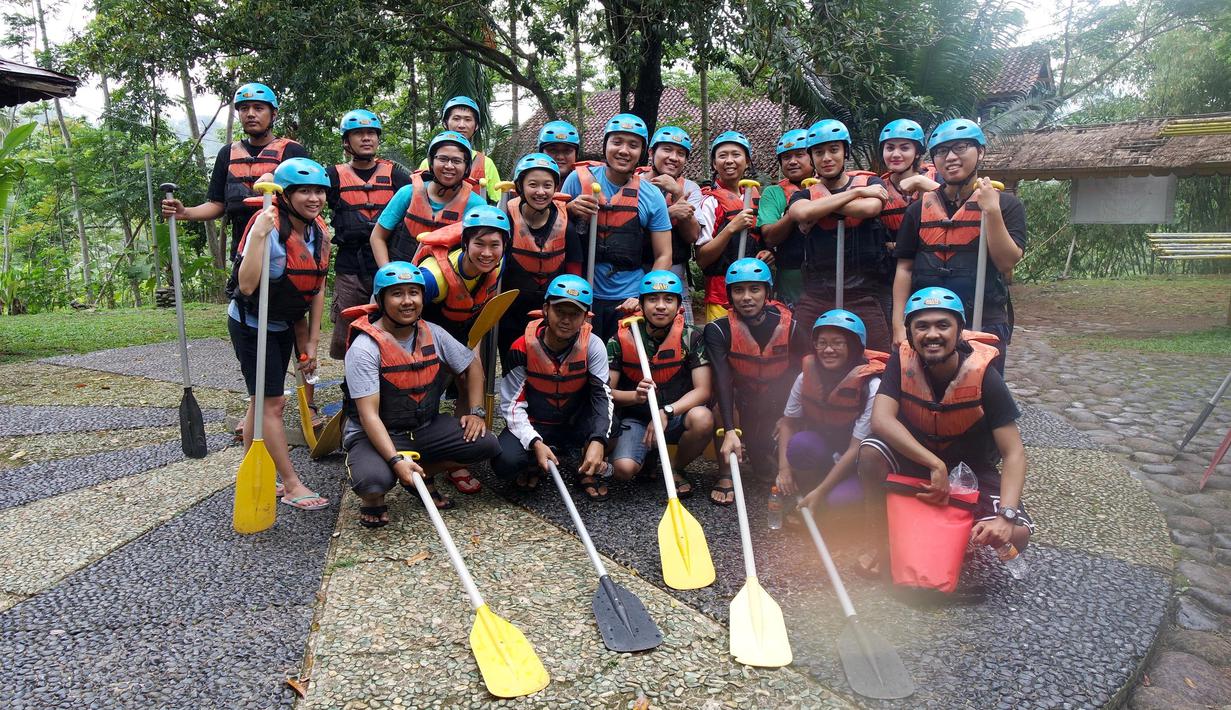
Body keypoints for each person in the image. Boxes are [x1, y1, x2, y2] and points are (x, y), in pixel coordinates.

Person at [857, 286, 1033, 576]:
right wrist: (934, 464)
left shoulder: (985, 377)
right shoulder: (901, 363)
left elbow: (1014, 452)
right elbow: (882, 420)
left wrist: (1006, 516)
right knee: (871, 452)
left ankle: (957, 535)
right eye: (922, 326)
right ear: (910, 333)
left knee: (1017, 535)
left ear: (959, 331)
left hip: (970, 470)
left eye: (943, 325)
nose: (932, 335)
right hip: (918, 463)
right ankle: (880, 540)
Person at [340, 261, 499, 523]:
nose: (407, 301)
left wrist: (476, 412)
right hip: (375, 433)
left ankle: (420, 474)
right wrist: (395, 461)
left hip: (424, 427)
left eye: (413, 293)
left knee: (487, 443)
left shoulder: (433, 333)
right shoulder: (365, 348)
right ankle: (375, 496)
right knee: (373, 482)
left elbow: (471, 366)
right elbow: (369, 416)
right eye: (397, 294)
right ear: (381, 300)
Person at [225, 157, 331, 512]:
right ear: (285, 196)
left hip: (285, 322)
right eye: (304, 192)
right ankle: (291, 483)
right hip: (252, 324)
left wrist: (310, 342)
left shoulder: (318, 232)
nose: (314, 198)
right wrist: (258, 234)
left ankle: (255, 470)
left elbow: (316, 288)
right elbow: (246, 284)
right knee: (272, 402)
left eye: (319, 191)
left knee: (261, 399)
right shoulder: (267, 226)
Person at [891, 118, 1026, 371]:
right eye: (942, 151)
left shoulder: (1007, 205)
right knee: (921, 388)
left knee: (980, 389)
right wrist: (898, 325)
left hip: (984, 317)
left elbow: (1006, 262)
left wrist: (992, 212)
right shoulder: (917, 210)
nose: (951, 157)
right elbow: (904, 268)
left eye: (961, 147)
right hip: (928, 320)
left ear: (980, 152)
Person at [494, 275, 614, 500]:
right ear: (546, 309)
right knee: (505, 462)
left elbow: (602, 396)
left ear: (586, 317)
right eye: (559, 311)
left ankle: (585, 466)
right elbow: (511, 405)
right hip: (536, 421)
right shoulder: (521, 347)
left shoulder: (594, 345)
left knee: (612, 426)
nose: (566, 320)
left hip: (574, 422)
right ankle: (535, 462)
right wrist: (534, 441)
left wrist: (598, 440)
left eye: (575, 314)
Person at [703, 258, 809, 505]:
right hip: (742, 403)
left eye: (754, 289)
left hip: (778, 405)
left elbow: (803, 377)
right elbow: (722, 380)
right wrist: (730, 430)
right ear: (730, 295)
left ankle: (767, 455)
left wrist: (789, 417)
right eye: (738, 290)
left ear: (767, 292)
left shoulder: (792, 327)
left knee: (765, 469)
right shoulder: (718, 330)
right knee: (720, 407)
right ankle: (725, 474)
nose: (746, 297)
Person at [161, 82, 309, 259]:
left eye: (258, 108)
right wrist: (185, 212)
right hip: (242, 250)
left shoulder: (293, 151)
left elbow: (309, 200)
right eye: (244, 109)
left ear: (274, 114)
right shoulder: (227, 154)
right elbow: (217, 205)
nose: (250, 114)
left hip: (284, 250)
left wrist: (276, 180)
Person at [561, 114, 672, 339]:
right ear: (605, 146)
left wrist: (644, 295)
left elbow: (664, 255)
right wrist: (569, 209)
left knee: (624, 358)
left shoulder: (652, 195)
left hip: (629, 296)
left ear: (642, 152)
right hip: (581, 293)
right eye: (617, 142)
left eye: (633, 145)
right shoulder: (576, 180)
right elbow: (552, 228)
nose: (624, 150)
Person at [786, 119, 891, 349]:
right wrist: (856, 194)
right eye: (819, 152)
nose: (826, 158)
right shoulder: (804, 194)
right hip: (818, 294)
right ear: (811, 158)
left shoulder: (871, 181)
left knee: (879, 356)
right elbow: (800, 212)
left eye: (834, 150)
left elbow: (869, 209)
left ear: (845, 152)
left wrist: (821, 206)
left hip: (863, 294)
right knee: (797, 351)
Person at [607, 270, 713, 496]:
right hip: (638, 417)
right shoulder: (620, 338)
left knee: (703, 419)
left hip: (675, 416)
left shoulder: (691, 337)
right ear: (641, 304)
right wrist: (634, 396)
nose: (661, 306)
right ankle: (647, 456)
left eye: (669, 300)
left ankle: (673, 468)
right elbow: (607, 392)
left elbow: (703, 390)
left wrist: (667, 412)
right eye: (653, 299)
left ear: (678, 305)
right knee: (623, 470)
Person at [326, 109, 412, 361]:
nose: (366, 138)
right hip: (350, 265)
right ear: (346, 141)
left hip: (388, 261)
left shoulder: (396, 175)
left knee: (392, 325)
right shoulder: (332, 176)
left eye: (371, 133)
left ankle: (390, 374)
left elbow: (421, 201)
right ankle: (352, 378)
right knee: (348, 328)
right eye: (359, 134)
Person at [779, 310, 887, 511]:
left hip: (855, 463)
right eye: (822, 343)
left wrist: (821, 492)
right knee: (801, 444)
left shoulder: (871, 386)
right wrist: (784, 469)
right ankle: (809, 495)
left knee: (839, 503)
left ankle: (822, 498)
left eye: (838, 343)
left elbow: (855, 448)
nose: (828, 350)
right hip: (826, 450)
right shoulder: (805, 377)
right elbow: (788, 423)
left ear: (854, 347)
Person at [498, 153, 583, 357]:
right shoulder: (506, 222)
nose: (540, 192)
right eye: (533, 185)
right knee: (513, 362)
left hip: (552, 314)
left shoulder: (567, 227)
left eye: (547, 185)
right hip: (510, 312)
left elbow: (575, 273)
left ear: (555, 188)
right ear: (520, 187)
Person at [370, 131, 486, 265]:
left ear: (466, 166)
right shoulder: (407, 193)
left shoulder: (477, 205)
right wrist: (388, 272)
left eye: (457, 161)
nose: (449, 166)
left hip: (448, 276)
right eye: (442, 159)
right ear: (431, 162)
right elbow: (377, 237)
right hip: (403, 274)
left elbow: (483, 247)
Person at [696, 131, 773, 323]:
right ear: (714, 164)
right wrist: (731, 228)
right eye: (722, 156)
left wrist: (768, 253)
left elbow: (765, 239)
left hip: (756, 297)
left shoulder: (758, 198)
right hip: (720, 296)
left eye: (736, 155)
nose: (729, 160)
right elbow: (702, 260)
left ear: (747, 161)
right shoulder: (709, 202)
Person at [412, 203, 508, 347]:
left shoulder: (498, 264)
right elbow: (399, 318)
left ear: (504, 246)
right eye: (479, 244)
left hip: (461, 330)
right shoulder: (433, 278)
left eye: (495, 245)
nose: (487, 253)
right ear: (465, 243)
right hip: (425, 336)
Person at [637, 126, 703, 323]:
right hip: (636, 270)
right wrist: (669, 213)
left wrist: (677, 193)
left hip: (675, 274)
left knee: (682, 332)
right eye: (667, 150)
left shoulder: (690, 188)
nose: (674, 157)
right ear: (651, 152)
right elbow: (626, 229)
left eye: (681, 153)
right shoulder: (635, 183)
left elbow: (692, 236)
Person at [758, 128, 815, 307]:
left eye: (800, 155)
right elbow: (770, 237)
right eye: (786, 157)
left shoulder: (830, 186)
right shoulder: (773, 193)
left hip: (827, 274)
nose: (792, 161)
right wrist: (796, 209)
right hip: (790, 276)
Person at [417, 96, 503, 203]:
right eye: (456, 119)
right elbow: (417, 197)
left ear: (476, 126)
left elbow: (498, 203)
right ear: (445, 122)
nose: (461, 125)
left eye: (468, 119)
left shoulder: (486, 163)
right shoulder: (428, 163)